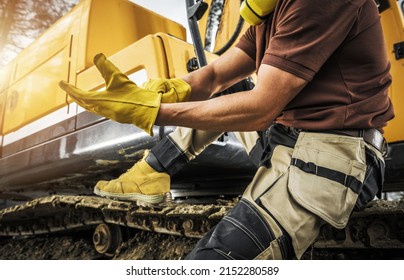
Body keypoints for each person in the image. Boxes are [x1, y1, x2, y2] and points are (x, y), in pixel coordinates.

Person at [59, 0, 394, 259]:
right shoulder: (269, 16)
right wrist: (156, 92)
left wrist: (155, 112)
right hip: (286, 142)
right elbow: (214, 77)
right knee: (231, 88)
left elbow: (261, 108)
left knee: (211, 263)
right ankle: (148, 174)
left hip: (336, 157)